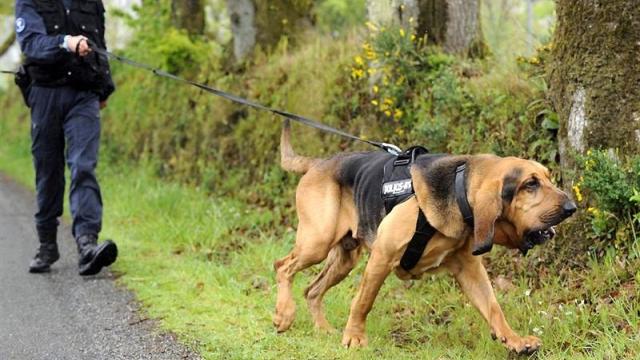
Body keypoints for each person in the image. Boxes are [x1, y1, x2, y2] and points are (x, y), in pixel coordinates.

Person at [15, 0, 117, 275]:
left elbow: (99, 43)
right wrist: (65, 42)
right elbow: (31, 44)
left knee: (83, 165)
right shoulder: (29, 3)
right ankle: (47, 243)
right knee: (48, 171)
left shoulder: (92, 3)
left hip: (84, 95)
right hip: (45, 93)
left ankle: (87, 244)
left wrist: (104, 88)